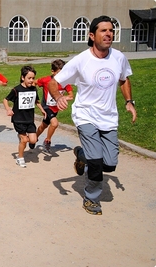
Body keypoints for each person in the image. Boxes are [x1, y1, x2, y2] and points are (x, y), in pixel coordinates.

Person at [48, 15, 137, 215]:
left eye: (111, 30)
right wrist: (57, 96)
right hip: (85, 114)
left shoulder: (119, 57)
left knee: (110, 164)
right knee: (96, 161)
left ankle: (81, 155)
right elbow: (54, 82)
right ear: (92, 35)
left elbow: (124, 79)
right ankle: (91, 198)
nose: (108, 34)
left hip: (109, 117)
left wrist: (129, 102)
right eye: (103, 30)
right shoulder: (81, 60)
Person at [3, 65, 45, 168]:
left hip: (29, 119)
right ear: (23, 77)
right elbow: (5, 100)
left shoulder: (34, 89)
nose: (31, 80)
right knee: (24, 140)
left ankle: (22, 139)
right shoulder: (16, 90)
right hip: (18, 119)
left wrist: (42, 109)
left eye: (33, 78)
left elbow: (36, 100)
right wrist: (8, 109)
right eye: (29, 78)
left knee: (33, 140)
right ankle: (20, 158)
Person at [34, 59, 74, 152]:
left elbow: (71, 95)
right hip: (46, 106)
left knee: (44, 126)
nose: (61, 76)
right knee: (55, 123)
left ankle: (34, 138)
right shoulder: (45, 80)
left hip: (55, 108)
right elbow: (34, 82)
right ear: (53, 71)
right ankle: (47, 141)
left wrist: (63, 98)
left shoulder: (65, 82)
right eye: (59, 73)